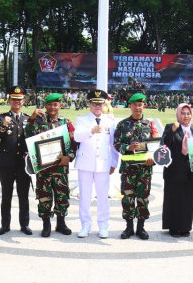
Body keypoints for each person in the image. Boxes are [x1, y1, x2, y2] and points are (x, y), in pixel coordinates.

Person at [25, 93, 76, 237]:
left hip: (60, 167)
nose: (52, 107)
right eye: (50, 104)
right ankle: (46, 224)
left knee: (62, 196)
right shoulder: (38, 120)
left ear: (60, 106)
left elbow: (74, 143)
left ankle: (61, 223)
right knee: (44, 196)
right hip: (44, 168)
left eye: (56, 104)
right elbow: (27, 136)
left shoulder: (66, 122)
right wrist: (32, 118)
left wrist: (69, 157)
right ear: (45, 106)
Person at [74, 89, 119, 238]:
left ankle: (103, 226)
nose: (97, 106)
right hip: (85, 163)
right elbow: (77, 137)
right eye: (94, 103)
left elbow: (113, 145)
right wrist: (90, 131)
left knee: (102, 196)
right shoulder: (82, 119)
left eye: (100, 103)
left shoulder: (110, 121)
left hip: (103, 163)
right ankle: (85, 225)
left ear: (104, 104)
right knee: (85, 196)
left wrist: (114, 162)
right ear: (89, 104)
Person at [114, 93, 159, 240]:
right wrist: (128, 147)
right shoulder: (122, 124)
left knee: (143, 197)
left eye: (140, 105)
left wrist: (153, 158)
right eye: (135, 105)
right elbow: (116, 143)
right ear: (130, 106)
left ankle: (141, 227)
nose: (138, 107)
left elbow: (157, 144)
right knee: (128, 197)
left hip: (145, 168)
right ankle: (128, 227)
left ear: (144, 106)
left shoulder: (150, 124)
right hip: (128, 168)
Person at [0, 86, 33, 236]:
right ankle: (5, 225)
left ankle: (25, 225)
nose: (16, 102)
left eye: (19, 99)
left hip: (23, 163)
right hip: (6, 163)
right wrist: (4, 125)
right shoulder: (1, 117)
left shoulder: (28, 119)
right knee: (6, 195)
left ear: (23, 101)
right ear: (9, 100)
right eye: (14, 99)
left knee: (23, 195)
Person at [162, 102, 193, 237]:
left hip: (190, 171)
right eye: (183, 113)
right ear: (178, 114)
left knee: (188, 199)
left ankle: (185, 227)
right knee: (174, 199)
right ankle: (174, 227)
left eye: (188, 113)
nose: (186, 116)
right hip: (173, 171)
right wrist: (171, 132)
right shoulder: (171, 127)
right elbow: (164, 144)